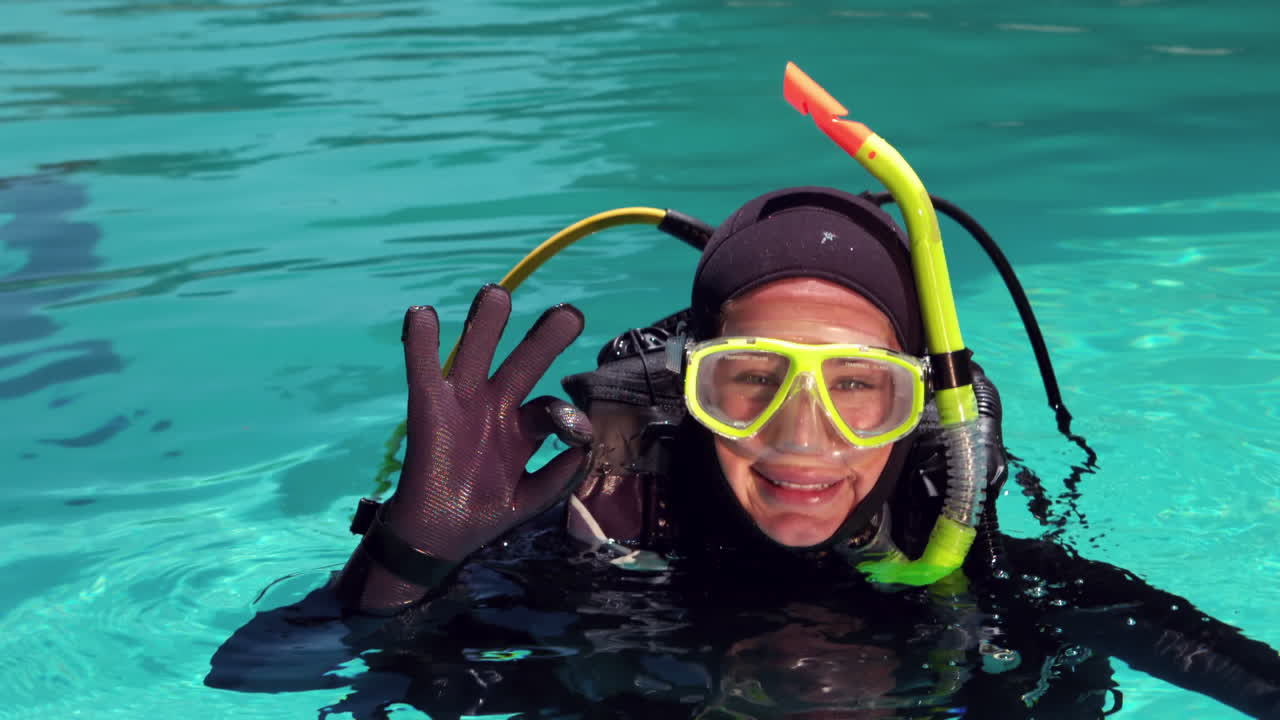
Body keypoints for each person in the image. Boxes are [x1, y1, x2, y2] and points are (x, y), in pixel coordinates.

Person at [208, 186, 1280, 719]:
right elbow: (252, 677)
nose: (802, 436)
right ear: (689, 388)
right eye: (751, 381)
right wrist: (403, 566)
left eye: (858, 386)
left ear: (922, 411)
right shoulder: (576, 548)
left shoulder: (987, 583)